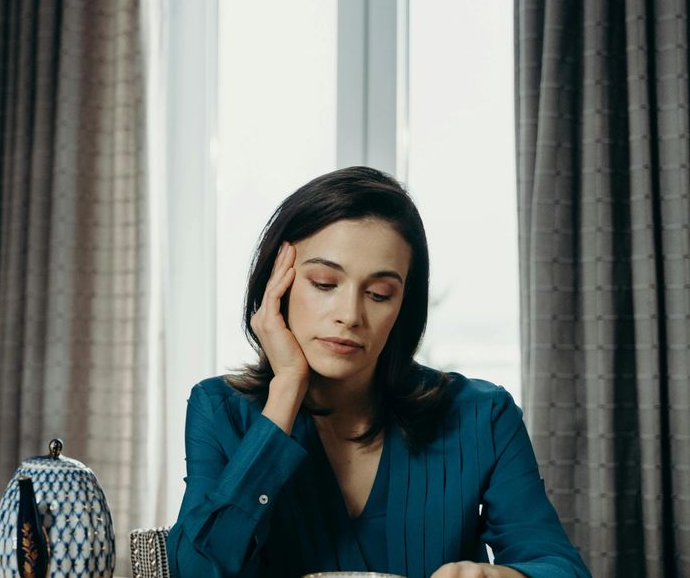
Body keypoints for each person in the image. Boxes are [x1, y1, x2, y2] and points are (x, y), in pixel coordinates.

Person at [166, 167, 590, 578]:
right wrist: (285, 393)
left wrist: (497, 576)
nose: (350, 315)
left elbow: (558, 564)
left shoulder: (482, 415)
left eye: (378, 294)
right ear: (278, 285)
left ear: (403, 306)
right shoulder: (219, 410)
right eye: (324, 284)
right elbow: (198, 570)